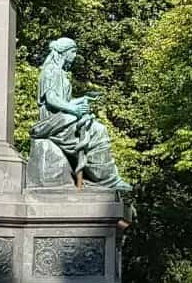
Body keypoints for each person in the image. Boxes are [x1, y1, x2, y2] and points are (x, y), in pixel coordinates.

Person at [29, 37, 124, 188]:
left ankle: (103, 177)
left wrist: (82, 99)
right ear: (64, 52)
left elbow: (63, 101)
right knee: (97, 130)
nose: (74, 56)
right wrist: (74, 109)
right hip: (52, 122)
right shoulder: (51, 71)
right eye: (73, 52)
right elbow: (51, 99)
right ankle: (106, 180)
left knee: (97, 128)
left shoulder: (60, 72)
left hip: (62, 118)